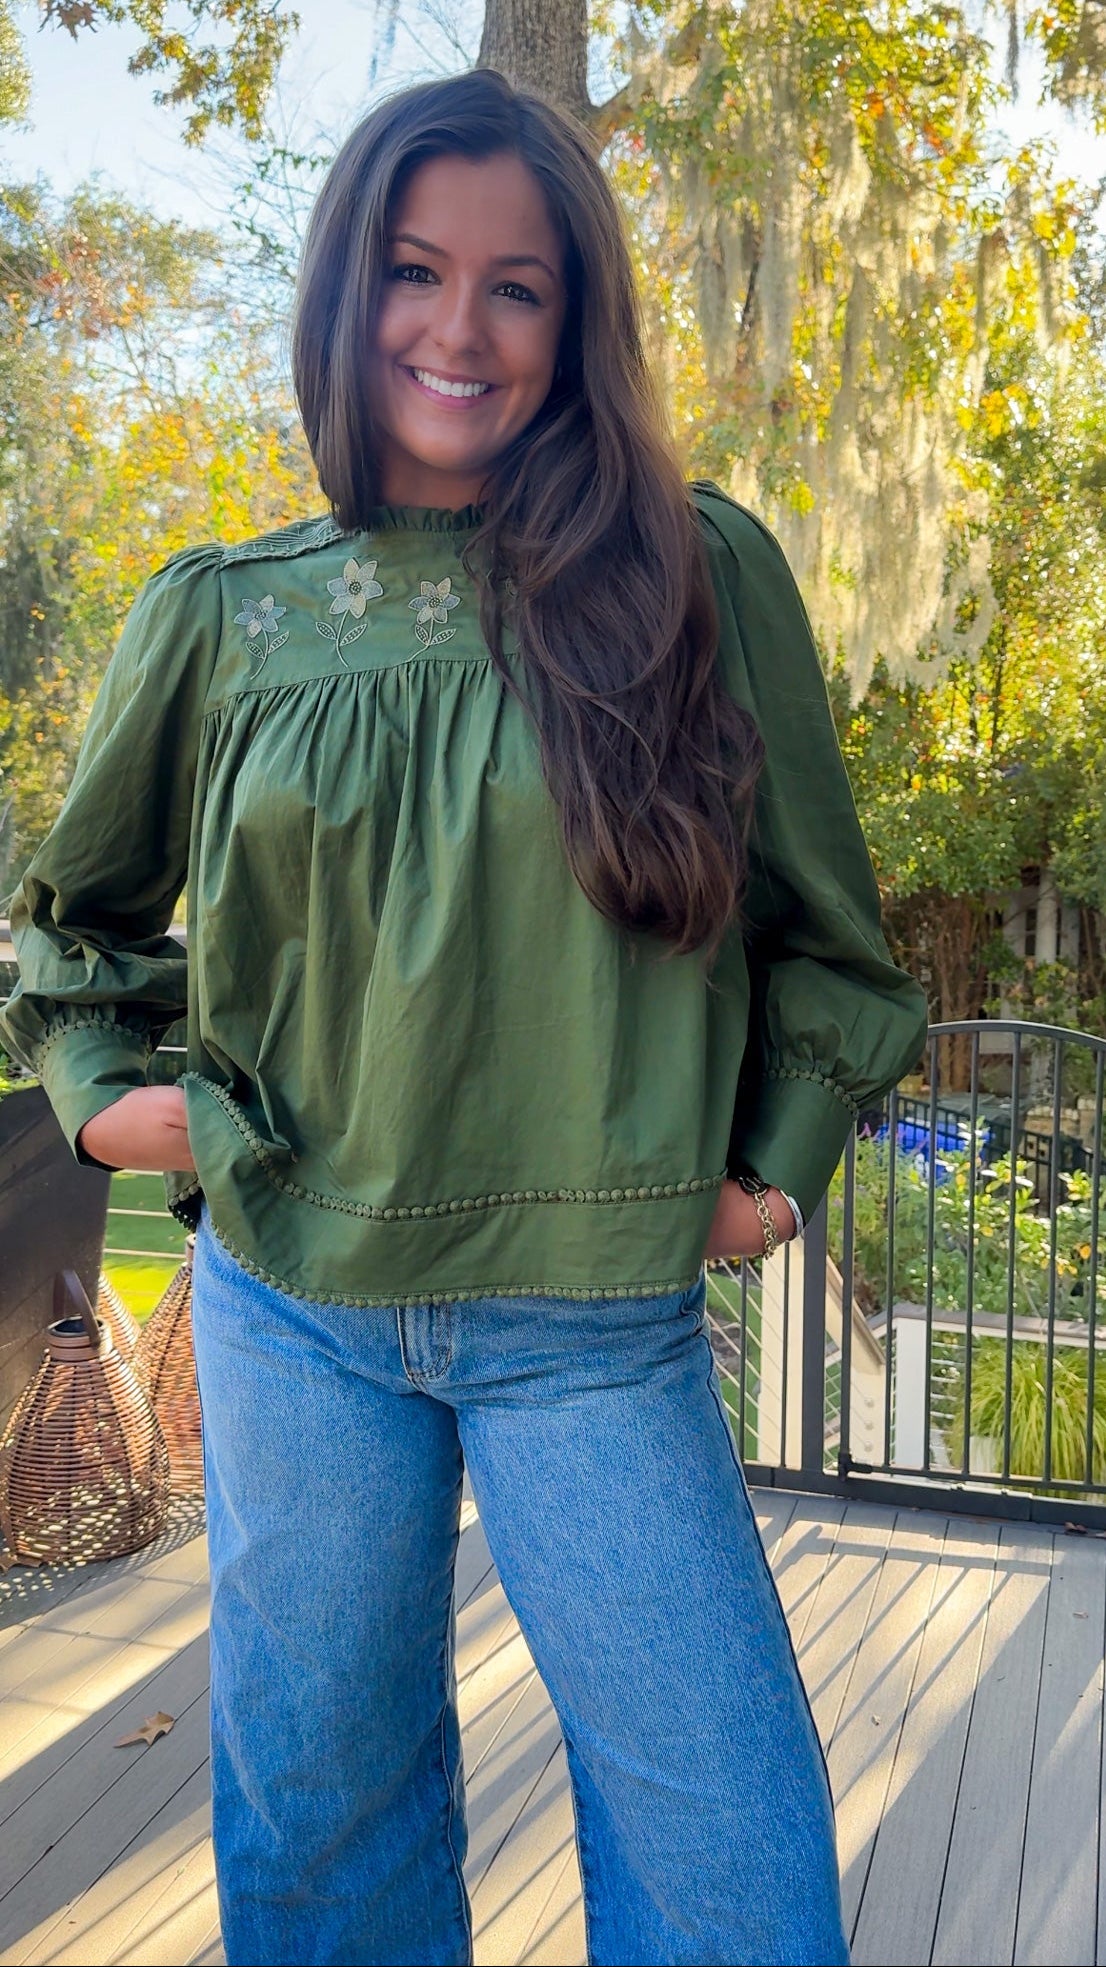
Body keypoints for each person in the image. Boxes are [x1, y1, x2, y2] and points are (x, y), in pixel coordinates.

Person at [1, 68, 927, 1967]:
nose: (457, 326)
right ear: (347, 293)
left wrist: (772, 1166)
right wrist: (107, 1095)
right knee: (318, 1814)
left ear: (573, 321)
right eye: (414, 270)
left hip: (591, 1325)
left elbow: (832, 939)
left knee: (726, 1844)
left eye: (518, 285)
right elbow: (78, 925)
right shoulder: (221, 613)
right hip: (292, 1308)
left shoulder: (695, 574)